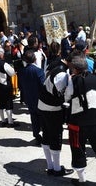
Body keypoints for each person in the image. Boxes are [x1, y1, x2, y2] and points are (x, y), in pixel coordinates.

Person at [65, 51, 96, 186]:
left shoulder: (72, 81)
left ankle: (82, 180)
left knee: (77, 148)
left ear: (75, 69)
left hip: (77, 122)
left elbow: (67, 97)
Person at [38, 45, 74, 176]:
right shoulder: (63, 74)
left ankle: (50, 166)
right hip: (52, 108)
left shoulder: (56, 65)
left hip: (42, 104)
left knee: (46, 134)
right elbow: (67, 95)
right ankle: (57, 169)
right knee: (55, 136)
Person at [17, 50, 45, 145]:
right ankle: (43, 135)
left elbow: (20, 85)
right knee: (42, 117)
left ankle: (36, 134)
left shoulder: (21, 71)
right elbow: (43, 85)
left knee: (34, 117)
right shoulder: (38, 71)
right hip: (39, 98)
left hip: (29, 97)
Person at [0, 48, 18, 128]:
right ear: (1, 55)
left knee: (0, 103)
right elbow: (12, 73)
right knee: (8, 103)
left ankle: (3, 121)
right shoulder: (4, 64)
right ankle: (10, 122)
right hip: (5, 84)